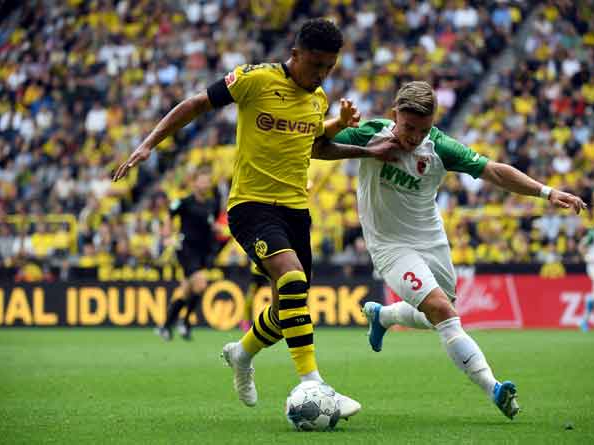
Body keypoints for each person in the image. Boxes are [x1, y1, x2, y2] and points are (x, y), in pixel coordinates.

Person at [113, 18, 397, 420]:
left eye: (329, 68)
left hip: (296, 211)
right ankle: (312, 382)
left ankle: (241, 354)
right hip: (250, 207)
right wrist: (148, 144)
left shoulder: (318, 98)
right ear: (295, 55)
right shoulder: (254, 79)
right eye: (315, 65)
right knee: (293, 277)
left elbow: (315, 147)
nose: (321, 75)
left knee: (286, 313)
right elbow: (196, 103)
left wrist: (363, 147)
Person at [331, 81, 587, 420]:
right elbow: (318, 147)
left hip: (430, 237)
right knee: (442, 311)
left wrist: (546, 191)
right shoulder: (369, 134)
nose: (414, 137)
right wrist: (364, 149)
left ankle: (385, 315)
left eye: (423, 130)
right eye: (408, 128)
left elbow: (493, 170)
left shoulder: (439, 147)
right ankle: (493, 388)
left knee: (439, 309)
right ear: (395, 115)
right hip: (390, 246)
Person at [155, 165, 222, 341]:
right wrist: (167, 234)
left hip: (202, 251)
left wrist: (216, 228)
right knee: (201, 284)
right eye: (203, 180)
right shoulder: (185, 202)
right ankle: (185, 323)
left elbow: (210, 223)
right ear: (194, 183)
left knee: (186, 291)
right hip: (186, 249)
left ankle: (165, 326)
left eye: (208, 181)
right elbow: (170, 214)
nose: (206, 184)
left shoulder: (211, 204)